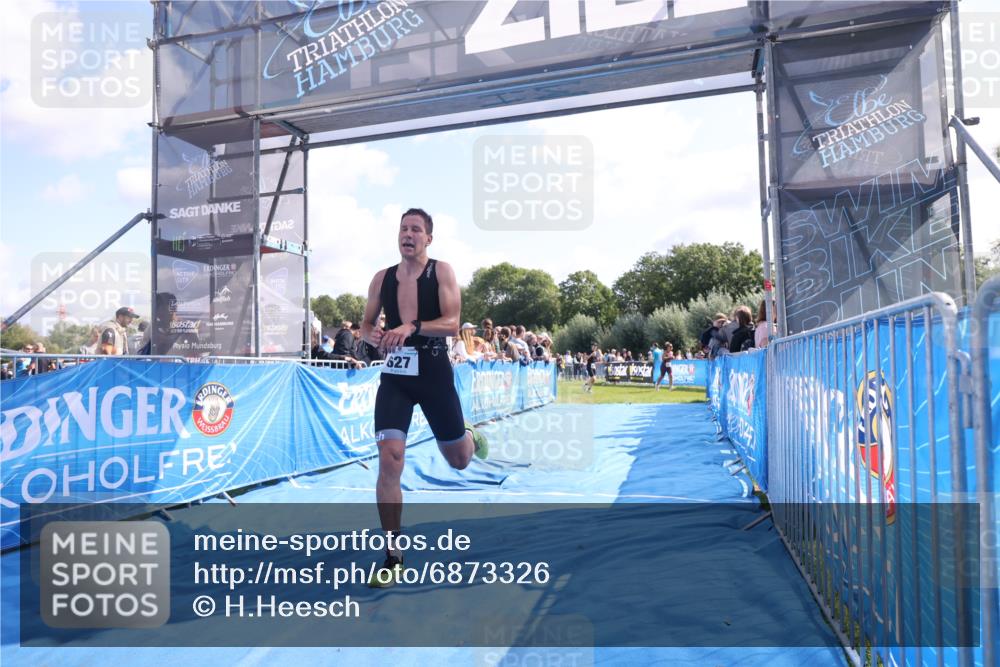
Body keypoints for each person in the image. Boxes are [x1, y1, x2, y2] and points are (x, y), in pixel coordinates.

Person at [359, 207, 489, 587]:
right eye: (404, 228)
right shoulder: (381, 278)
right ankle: (392, 554)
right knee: (390, 458)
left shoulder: (441, 271)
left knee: (460, 460)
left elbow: (452, 324)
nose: (409, 234)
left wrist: (411, 326)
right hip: (396, 378)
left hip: (433, 372)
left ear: (428, 239)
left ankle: (468, 436)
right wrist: (375, 337)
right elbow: (366, 324)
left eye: (416, 229)